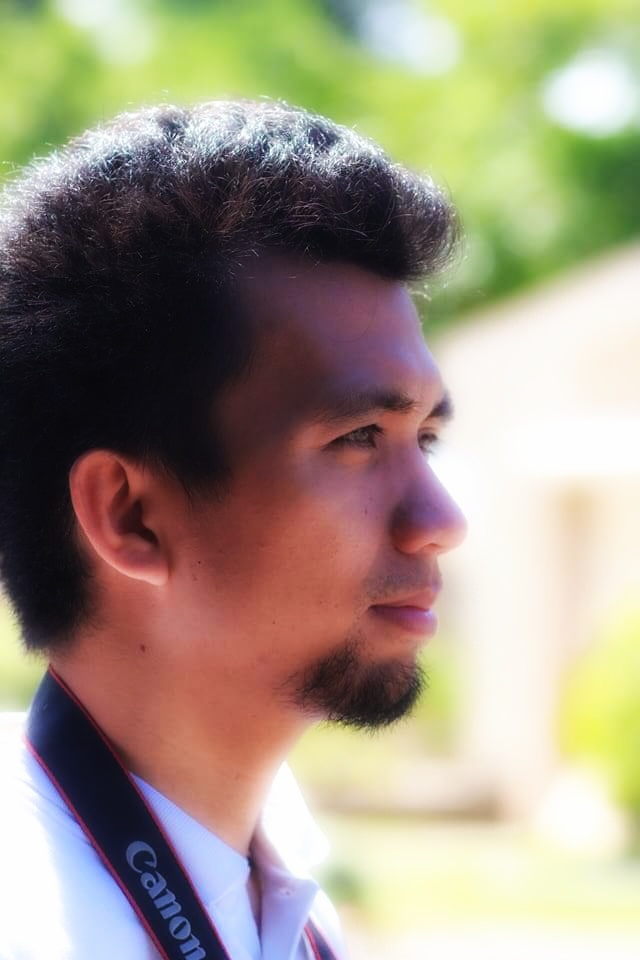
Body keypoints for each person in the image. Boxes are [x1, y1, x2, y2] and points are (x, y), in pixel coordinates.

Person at [0, 99, 466, 960]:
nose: (441, 521)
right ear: (130, 516)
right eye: (360, 437)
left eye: (426, 439)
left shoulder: (283, 894)